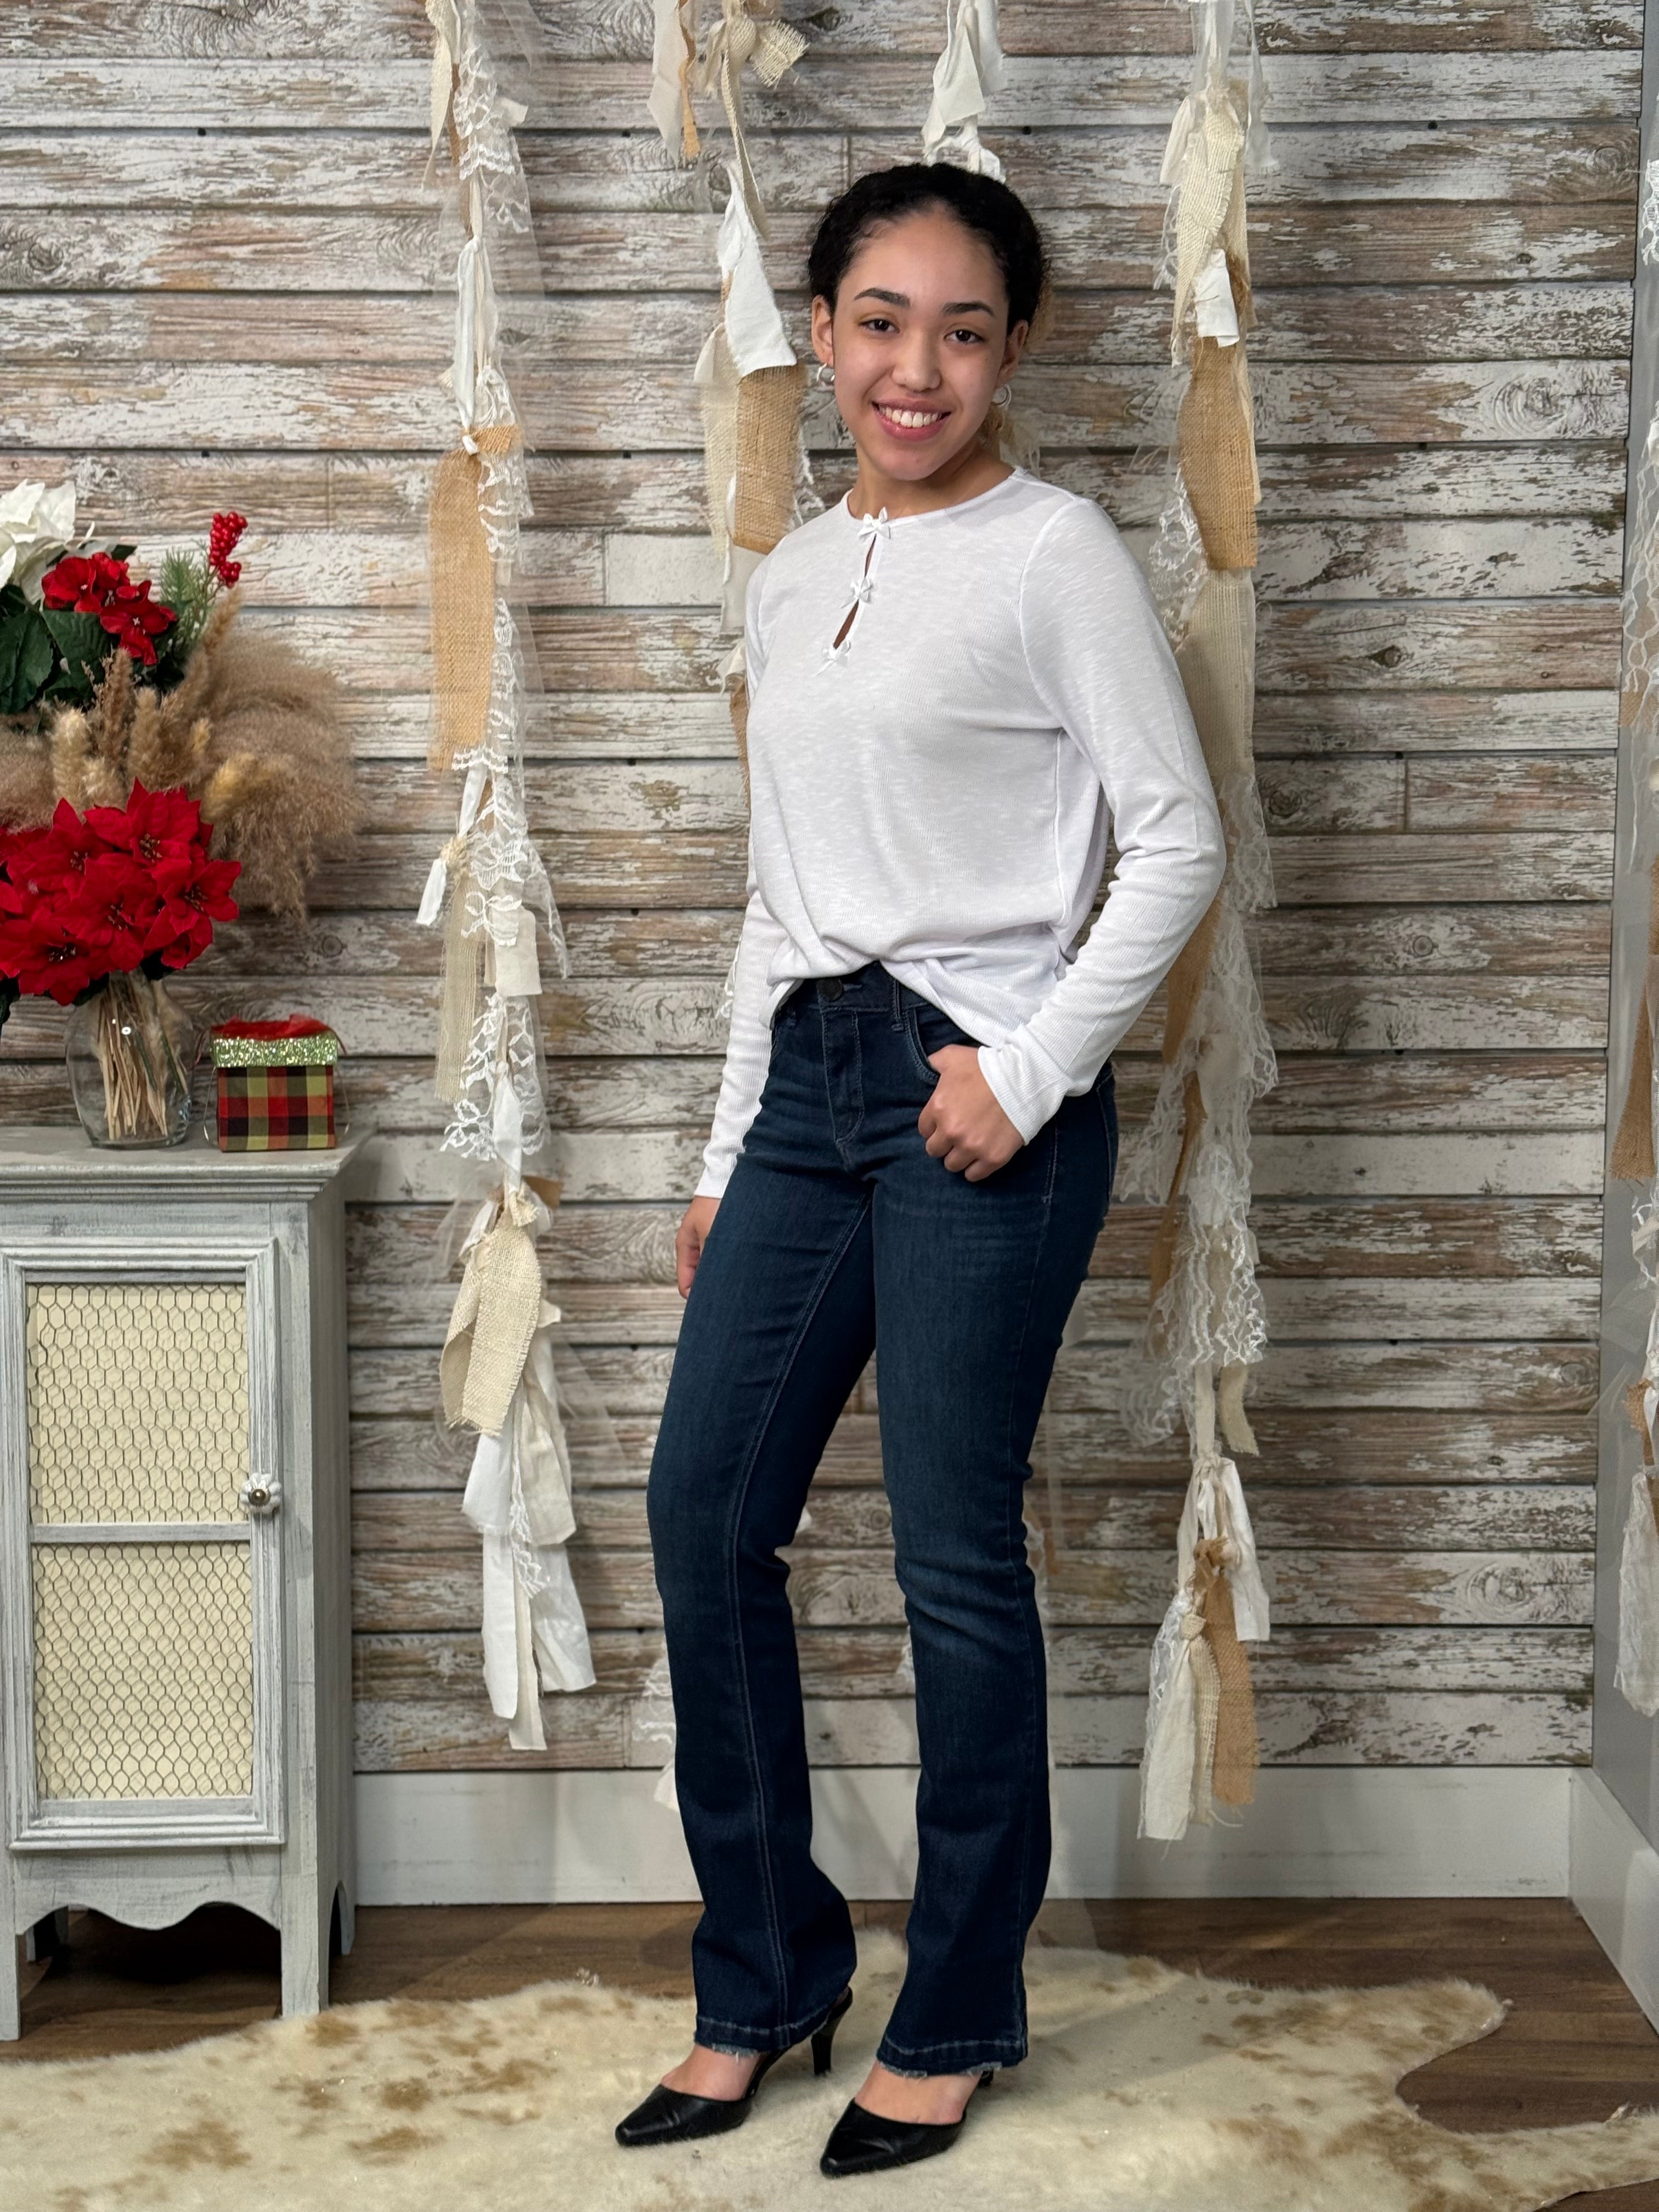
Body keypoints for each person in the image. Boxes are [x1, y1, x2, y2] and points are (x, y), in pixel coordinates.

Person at [614, 160, 1226, 2179]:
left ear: (1013, 348)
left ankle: (954, 2010)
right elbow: (778, 895)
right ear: (822, 333)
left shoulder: (1057, 554)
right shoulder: (794, 575)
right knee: (704, 1511)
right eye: (882, 322)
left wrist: (1033, 1072)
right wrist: (729, 1151)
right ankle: (765, 1975)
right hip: (808, 1087)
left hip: (980, 1093)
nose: (919, 367)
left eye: (965, 331)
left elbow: (1178, 838)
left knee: (955, 1558)